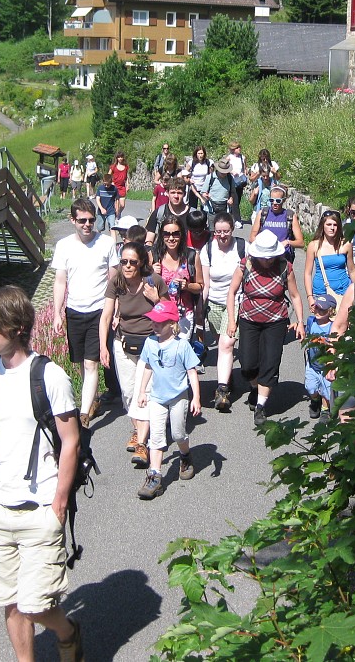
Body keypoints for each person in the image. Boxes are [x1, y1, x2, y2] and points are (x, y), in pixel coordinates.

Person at [0, 286, 83, 662]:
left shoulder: (49, 376)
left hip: (39, 507)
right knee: (9, 603)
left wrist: (58, 505)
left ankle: (67, 633)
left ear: (15, 327)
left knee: (34, 605)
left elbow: (70, 441)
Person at [225, 231, 305, 426]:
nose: (268, 261)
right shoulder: (246, 265)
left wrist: (300, 321)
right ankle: (255, 386)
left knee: (270, 362)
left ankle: (261, 406)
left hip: (276, 321)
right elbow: (232, 291)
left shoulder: (284, 267)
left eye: (271, 257)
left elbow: (294, 295)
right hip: (249, 319)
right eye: (264, 257)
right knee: (247, 364)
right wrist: (231, 320)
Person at [52, 199, 119, 427]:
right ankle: (92, 400)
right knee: (82, 363)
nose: (87, 224)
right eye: (82, 220)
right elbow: (60, 282)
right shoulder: (63, 246)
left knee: (91, 364)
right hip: (74, 310)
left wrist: (115, 309)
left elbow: (114, 279)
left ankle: (83, 415)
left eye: (91, 220)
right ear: (73, 220)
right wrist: (57, 314)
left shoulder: (107, 243)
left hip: (98, 311)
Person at [99, 241, 165, 470]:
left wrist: (155, 299)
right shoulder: (116, 282)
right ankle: (138, 430)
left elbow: (170, 313)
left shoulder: (154, 281)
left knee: (144, 393)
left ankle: (143, 443)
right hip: (123, 342)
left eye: (132, 262)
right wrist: (103, 347)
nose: (127, 266)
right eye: (123, 262)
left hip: (149, 343)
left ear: (141, 263)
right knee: (128, 392)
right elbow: (106, 315)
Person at [134, 301, 203, 500]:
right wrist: (141, 392)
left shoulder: (182, 345)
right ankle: (155, 476)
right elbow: (148, 367)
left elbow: (192, 372)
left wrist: (196, 398)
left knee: (178, 434)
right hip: (157, 397)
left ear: (172, 324)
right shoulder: (150, 343)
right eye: (153, 321)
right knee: (156, 437)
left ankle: (185, 455)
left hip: (178, 396)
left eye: (159, 322)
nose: (154, 325)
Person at [201, 213, 244, 412]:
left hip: (234, 301)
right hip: (214, 303)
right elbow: (205, 285)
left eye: (225, 231)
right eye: (218, 232)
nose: (222, 235)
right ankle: (227, 376)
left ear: (232, 230)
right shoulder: (207, 250)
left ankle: (222, 391)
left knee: (227, 343)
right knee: (221, 344)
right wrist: (200, 309)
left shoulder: (243, 248)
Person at [151, 213, 204, 338]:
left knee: (179, 353)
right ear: (161, 235)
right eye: (166, 234)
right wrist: (151, 273)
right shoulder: (154, 255)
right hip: (160, 312)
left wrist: (188, 286)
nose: (171, 238)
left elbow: (200, 286)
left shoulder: (191, 256)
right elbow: (143, 284)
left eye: (175, 233)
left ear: (182, 235)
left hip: (184, 315)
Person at [304, 209, 355, 325]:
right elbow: (307, 273)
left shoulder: (346, 245)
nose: (332, 228)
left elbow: (352, 270)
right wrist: (310, 297)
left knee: (342, 325)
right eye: (328, 224)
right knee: (323, 326)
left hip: (343, 291)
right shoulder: (314, 246)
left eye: (335, 225)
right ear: (322, 226)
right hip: (321, 292)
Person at [304, 294, 339, 423]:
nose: (318, 312)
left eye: (322, 310)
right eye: (317, 308)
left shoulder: (332, 327)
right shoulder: (310, 321)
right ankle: (315, 400)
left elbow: (336, 344)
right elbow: (306, 334)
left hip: (326, 366)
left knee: (327, 390)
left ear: (331, 311)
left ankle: (325, 409)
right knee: (310, 387)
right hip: (313, 364)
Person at [250, 185, 304, 262]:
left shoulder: (290, 216)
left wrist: (287, 242)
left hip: (283, 257)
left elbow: (301, 243)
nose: (274, 203)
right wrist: (265, 245)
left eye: (278, 201)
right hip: (265, 257)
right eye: (272, 200)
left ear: (284, 200)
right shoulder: (262, 213)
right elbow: (252, 238)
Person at [145, 176, 190, 243]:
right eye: (173, 193)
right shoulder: (159, 213)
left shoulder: (192, 214)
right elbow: (149, 240)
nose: (176, 196)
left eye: (179, 193)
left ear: (184, 194)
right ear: (167, 193)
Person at [247, 149, 281, 218]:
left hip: (271, 185)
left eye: (266, 158)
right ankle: (257, 211)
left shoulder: (273, 164)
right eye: (263, 158)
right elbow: (251, 179)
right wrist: (258, 174)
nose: (265, 160)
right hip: (259, 184)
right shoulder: (256, 165)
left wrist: (275, 172)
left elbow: (278, 177)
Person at [206, 157, 235, 224]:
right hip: (212, 207)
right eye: (222, 172)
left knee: (223, 227)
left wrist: (231, 198)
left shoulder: (230, 178)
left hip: (225, 206)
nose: (224, 174)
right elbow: (203, 192)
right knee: (212, 229)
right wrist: (206, 196)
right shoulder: (210, 177)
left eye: (226, 172)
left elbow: (233, 192)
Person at [226, 142, 248, 225]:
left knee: (238, 199)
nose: (239, 149)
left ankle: (231, 213)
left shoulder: (243, 157)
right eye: (237, 148)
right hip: (232, 180)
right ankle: (238, 220)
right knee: (235, 199)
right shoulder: (229, 158)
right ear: (233, 149)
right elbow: (224, 167)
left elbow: (245, 167)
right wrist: (232, 171)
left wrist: (244, 173)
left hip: (240, 181)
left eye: (239, 148)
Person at [185, 145, 212, 211]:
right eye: (199, 153)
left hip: (204, 188)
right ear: (196, 154)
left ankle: (203, 220)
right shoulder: (191, 163)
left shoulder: (208, 163)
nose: (200, 155)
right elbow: (184, 174)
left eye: (202, 153)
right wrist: (189, 180)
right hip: (194, 188)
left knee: (204, 207)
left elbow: (211, 175)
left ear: (204, 154)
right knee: (192, 208)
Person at [109, 152, 130, 216]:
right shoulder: (113, 166)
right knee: (116, 206)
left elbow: (127, 177)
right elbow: (108, 175)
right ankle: (117, 217)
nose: (120, 158)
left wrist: (128, 185)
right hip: (115, 187)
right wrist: (111, 182)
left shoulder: (126, 167)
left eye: (121, 157)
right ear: (117, 158)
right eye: (119, 157)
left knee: (122, 205)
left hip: (122, 187)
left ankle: (118, 213)